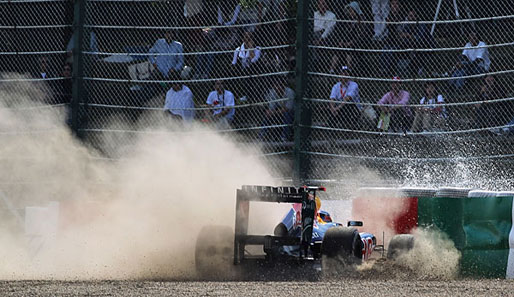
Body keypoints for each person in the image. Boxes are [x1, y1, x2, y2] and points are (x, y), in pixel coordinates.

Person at [259, 77, 295, 141]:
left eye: (280, 86)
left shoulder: (290, 92)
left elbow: (287, 108)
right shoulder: (272, 92)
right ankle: (261, 135)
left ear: (284, 86)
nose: (278, 88)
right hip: (278, 111)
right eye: (276, 86)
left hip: (292, 112)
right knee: (267, 116)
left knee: (287, 115)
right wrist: (269, 112)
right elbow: (271, 108)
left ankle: (285, 136)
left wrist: (273, 112)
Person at [329, 66, 362, 136]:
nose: (344, 75)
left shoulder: (354, 85)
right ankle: (331, 133)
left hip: (352, 107)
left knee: (347, 105)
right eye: (342, 73)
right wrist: (332, 108)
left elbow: (348, 98)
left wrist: (338, 108)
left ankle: (349, 130)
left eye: (346, 73)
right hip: (339, 107)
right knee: (330, 108)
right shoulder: (336, 86)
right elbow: (332, 98)